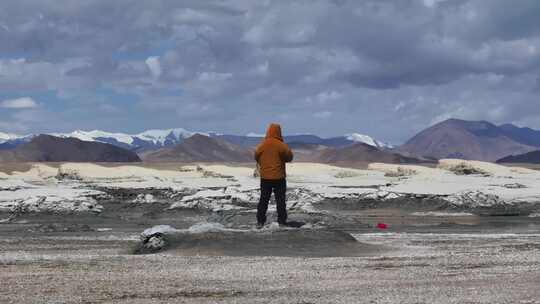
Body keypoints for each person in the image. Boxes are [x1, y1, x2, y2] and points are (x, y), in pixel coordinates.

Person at [254, 123, 294, 228]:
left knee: (263, 200)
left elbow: (256, 155)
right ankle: (282, 221)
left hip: (265, 178)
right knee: (280, 201)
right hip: (279, 177)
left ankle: (260, 222)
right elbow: (289, 157)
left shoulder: (262, 145)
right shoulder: (281, 145)